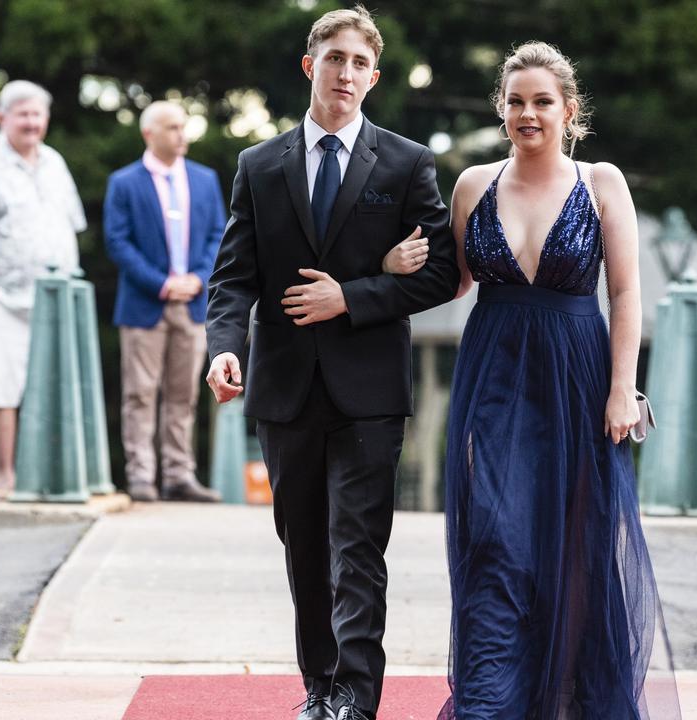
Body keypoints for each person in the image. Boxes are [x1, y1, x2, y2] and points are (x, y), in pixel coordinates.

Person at [386, 42, 680, 719]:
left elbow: (627, 292)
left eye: (542, 101)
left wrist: (621, 387)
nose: (528, 113)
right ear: (501, 109)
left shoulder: (601, 183)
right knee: (498, 540)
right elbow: (453, 282)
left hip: (578, 380)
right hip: (493, 380)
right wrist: (391, 268)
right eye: (515, 102)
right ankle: (490, 705)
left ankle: (572, 705)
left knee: (577, 551)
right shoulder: (472, 187)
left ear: (570, 110)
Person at [205, 7, 459, 719]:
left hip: (369, 389)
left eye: (358, 63)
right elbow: (233, 277)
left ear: (373, 78)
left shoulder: (407, 162)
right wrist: (225, 347)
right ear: (309, 65)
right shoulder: (258, 166)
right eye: (334, 58)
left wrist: (352, 295)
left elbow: (440, 274)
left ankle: (355, 696)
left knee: (358, 546)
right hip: (283, 388)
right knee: (305, 549)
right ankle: (318, 685)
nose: (345, 72)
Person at [0, 80, 87, 493]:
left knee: (55, 392)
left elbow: (71, 224)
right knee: (1, 391)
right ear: (2, 118)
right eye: (22, 114)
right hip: (3, 298)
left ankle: (51, 477)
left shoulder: (54, 163)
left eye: (37, 114)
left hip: (53, 299)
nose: (31, 123)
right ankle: (6, 478)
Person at [104, 101, 225, 503]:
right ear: (149, 134)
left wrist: (198, 278)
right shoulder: (124, 182)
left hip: (192, 304)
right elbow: (118, 243)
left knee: (184, 394)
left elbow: (217, 236)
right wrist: (161, 284)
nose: (181, 135)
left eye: (183, 127)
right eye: (172, 128)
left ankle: (178, 475)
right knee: (139, 393)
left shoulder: (205, 180)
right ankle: (141, 476)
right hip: (144, 305)